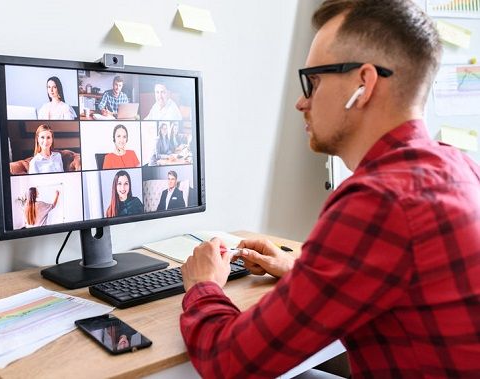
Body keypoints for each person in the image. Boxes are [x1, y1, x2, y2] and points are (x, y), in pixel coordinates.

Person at [180, 1, 480, 378]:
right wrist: (299, 271)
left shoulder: (378, 200)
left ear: (364, 83)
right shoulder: (458, 165)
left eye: (314, 81)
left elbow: (229, 362)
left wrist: (203, 287)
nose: (301, 101)